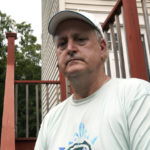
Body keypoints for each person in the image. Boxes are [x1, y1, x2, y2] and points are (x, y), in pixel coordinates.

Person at [35, 10, 150, 150]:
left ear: (102, 48)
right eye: (62, 43)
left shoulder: (137, 96)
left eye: (80, 39)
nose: (70, 48)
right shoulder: (50, 121)